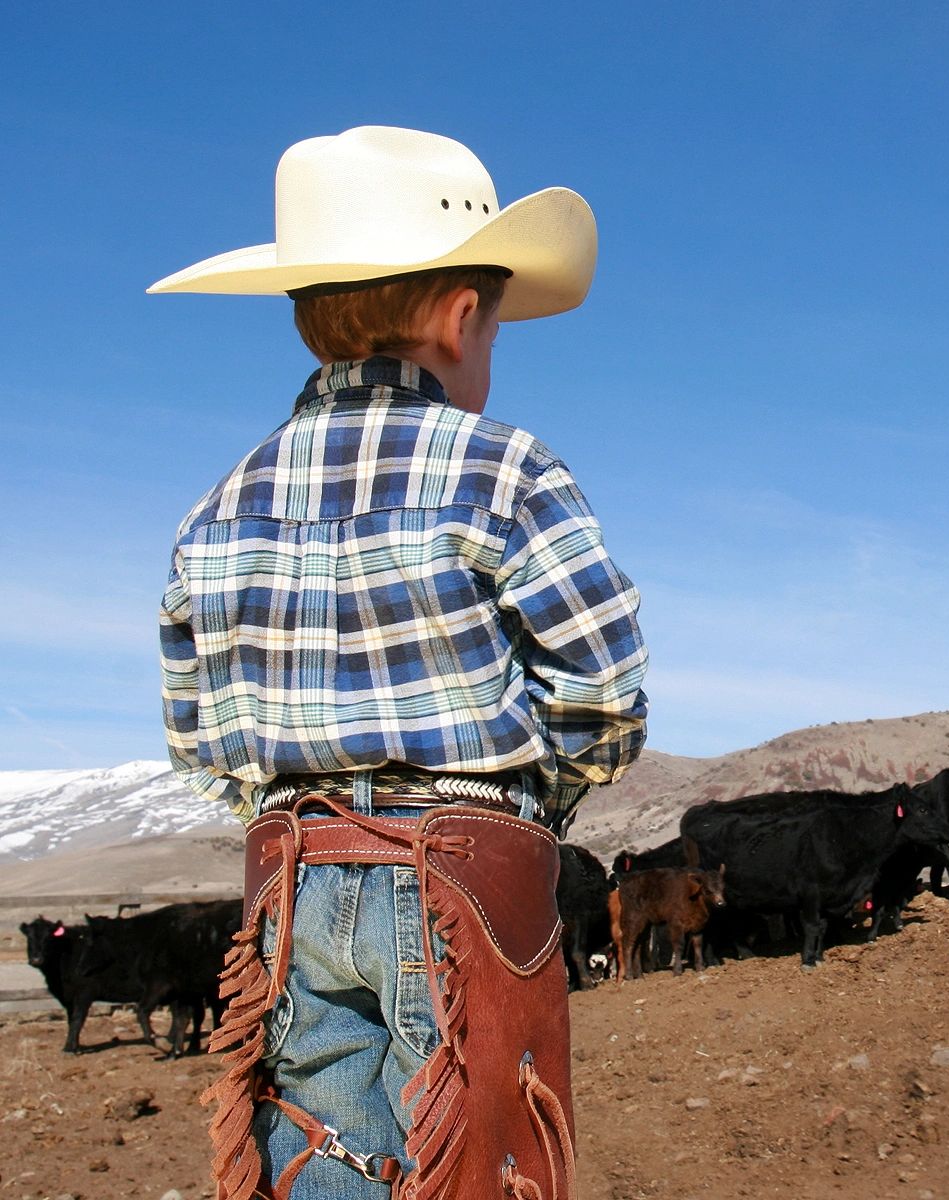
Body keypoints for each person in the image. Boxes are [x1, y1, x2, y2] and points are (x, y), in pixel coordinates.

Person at [150, 126, 648, 1200]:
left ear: (305, 316)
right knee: (484, 1156)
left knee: (319, 1156)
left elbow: (196, 735)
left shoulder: (220, 504)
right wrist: (524, 810)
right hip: (463, 876)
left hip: (291, 871)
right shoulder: (506, 467)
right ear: (463, 318)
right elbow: (602, 687)